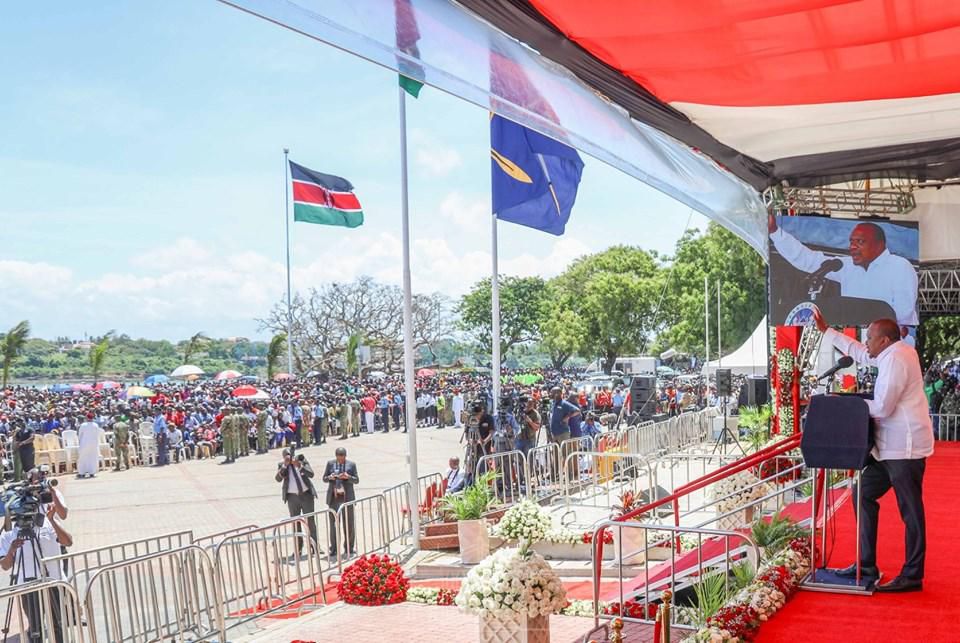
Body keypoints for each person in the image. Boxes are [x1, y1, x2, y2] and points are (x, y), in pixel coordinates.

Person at [813, 307, 933, 592]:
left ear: (885, 340)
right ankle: (866, 564)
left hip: (905, 448)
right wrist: (827, 331)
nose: (866, 343)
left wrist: (844, 403)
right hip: (888, 448)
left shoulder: (897, 359)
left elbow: (882, 407)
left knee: (911, 512)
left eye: (870, 338)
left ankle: (912, 575)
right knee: (862, 493)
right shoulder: (891, 353)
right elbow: (860, 353)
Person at [770, 216, 918, 326]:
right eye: (851, 242)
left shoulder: (900, 266)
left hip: (893, 344)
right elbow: (808, 260)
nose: (852, 247)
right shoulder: (845, 265)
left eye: (860, 242)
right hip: (856, 341)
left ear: (880, 244)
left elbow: (903, 313)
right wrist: (775, 232)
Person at [0, 499, 74, 643]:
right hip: (28, 587)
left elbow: (68, 542)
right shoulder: (8, 535)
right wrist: (12, 550)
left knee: (58, 625)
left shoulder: (47, 524)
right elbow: (5, 566)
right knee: (36, 629)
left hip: (54, 582)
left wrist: (52, 519)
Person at [275, 447, 318, 561]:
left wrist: (298, 465)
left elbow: (311, 474)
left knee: (310, 522)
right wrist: (285, 465)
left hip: (306, 495)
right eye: (286, 456)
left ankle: (314, 546)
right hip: (292, 498)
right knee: (295, 524)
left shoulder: (301, 460)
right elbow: (278, 479)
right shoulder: (282, 465)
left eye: (290, 455)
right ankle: (298, 548)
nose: (289, 458)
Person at [322, 447, 359, 559]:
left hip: (347, 497)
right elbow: (324, 478)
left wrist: (348, 477)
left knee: (349, 524)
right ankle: (333, 548)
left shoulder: (351, 465)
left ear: (345, 456)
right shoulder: (330, 464)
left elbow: (356, 480)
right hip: (334, 498)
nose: (340, 460)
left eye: (342, 458)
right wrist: (330, 477)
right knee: (333, 525)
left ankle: (349, 547)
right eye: (338, 458)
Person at [76, 412, 100, 478]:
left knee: (82, 458)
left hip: (84, 443)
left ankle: (81, 473)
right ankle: (92, 472)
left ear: (87, 418)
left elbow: (79, 434)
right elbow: (97, 434)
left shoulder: (83, 425)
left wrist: (80, 442)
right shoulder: (96, 425)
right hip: (94, 444)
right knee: (93, 457)